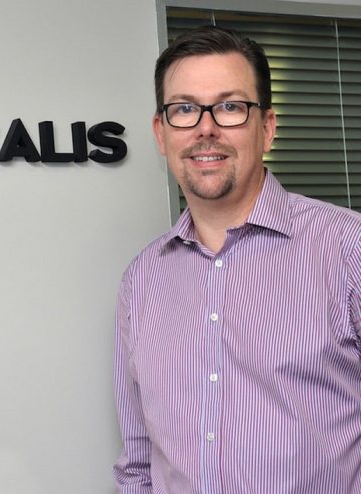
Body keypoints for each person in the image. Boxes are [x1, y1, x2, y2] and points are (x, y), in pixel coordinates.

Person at [113, 26, 361, 493]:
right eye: (184, 109)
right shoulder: (142, 279)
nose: (205, 128)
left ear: (267, 127)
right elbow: (139, 462)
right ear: (161, 133)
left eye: (229, 107)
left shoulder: (349, 249)